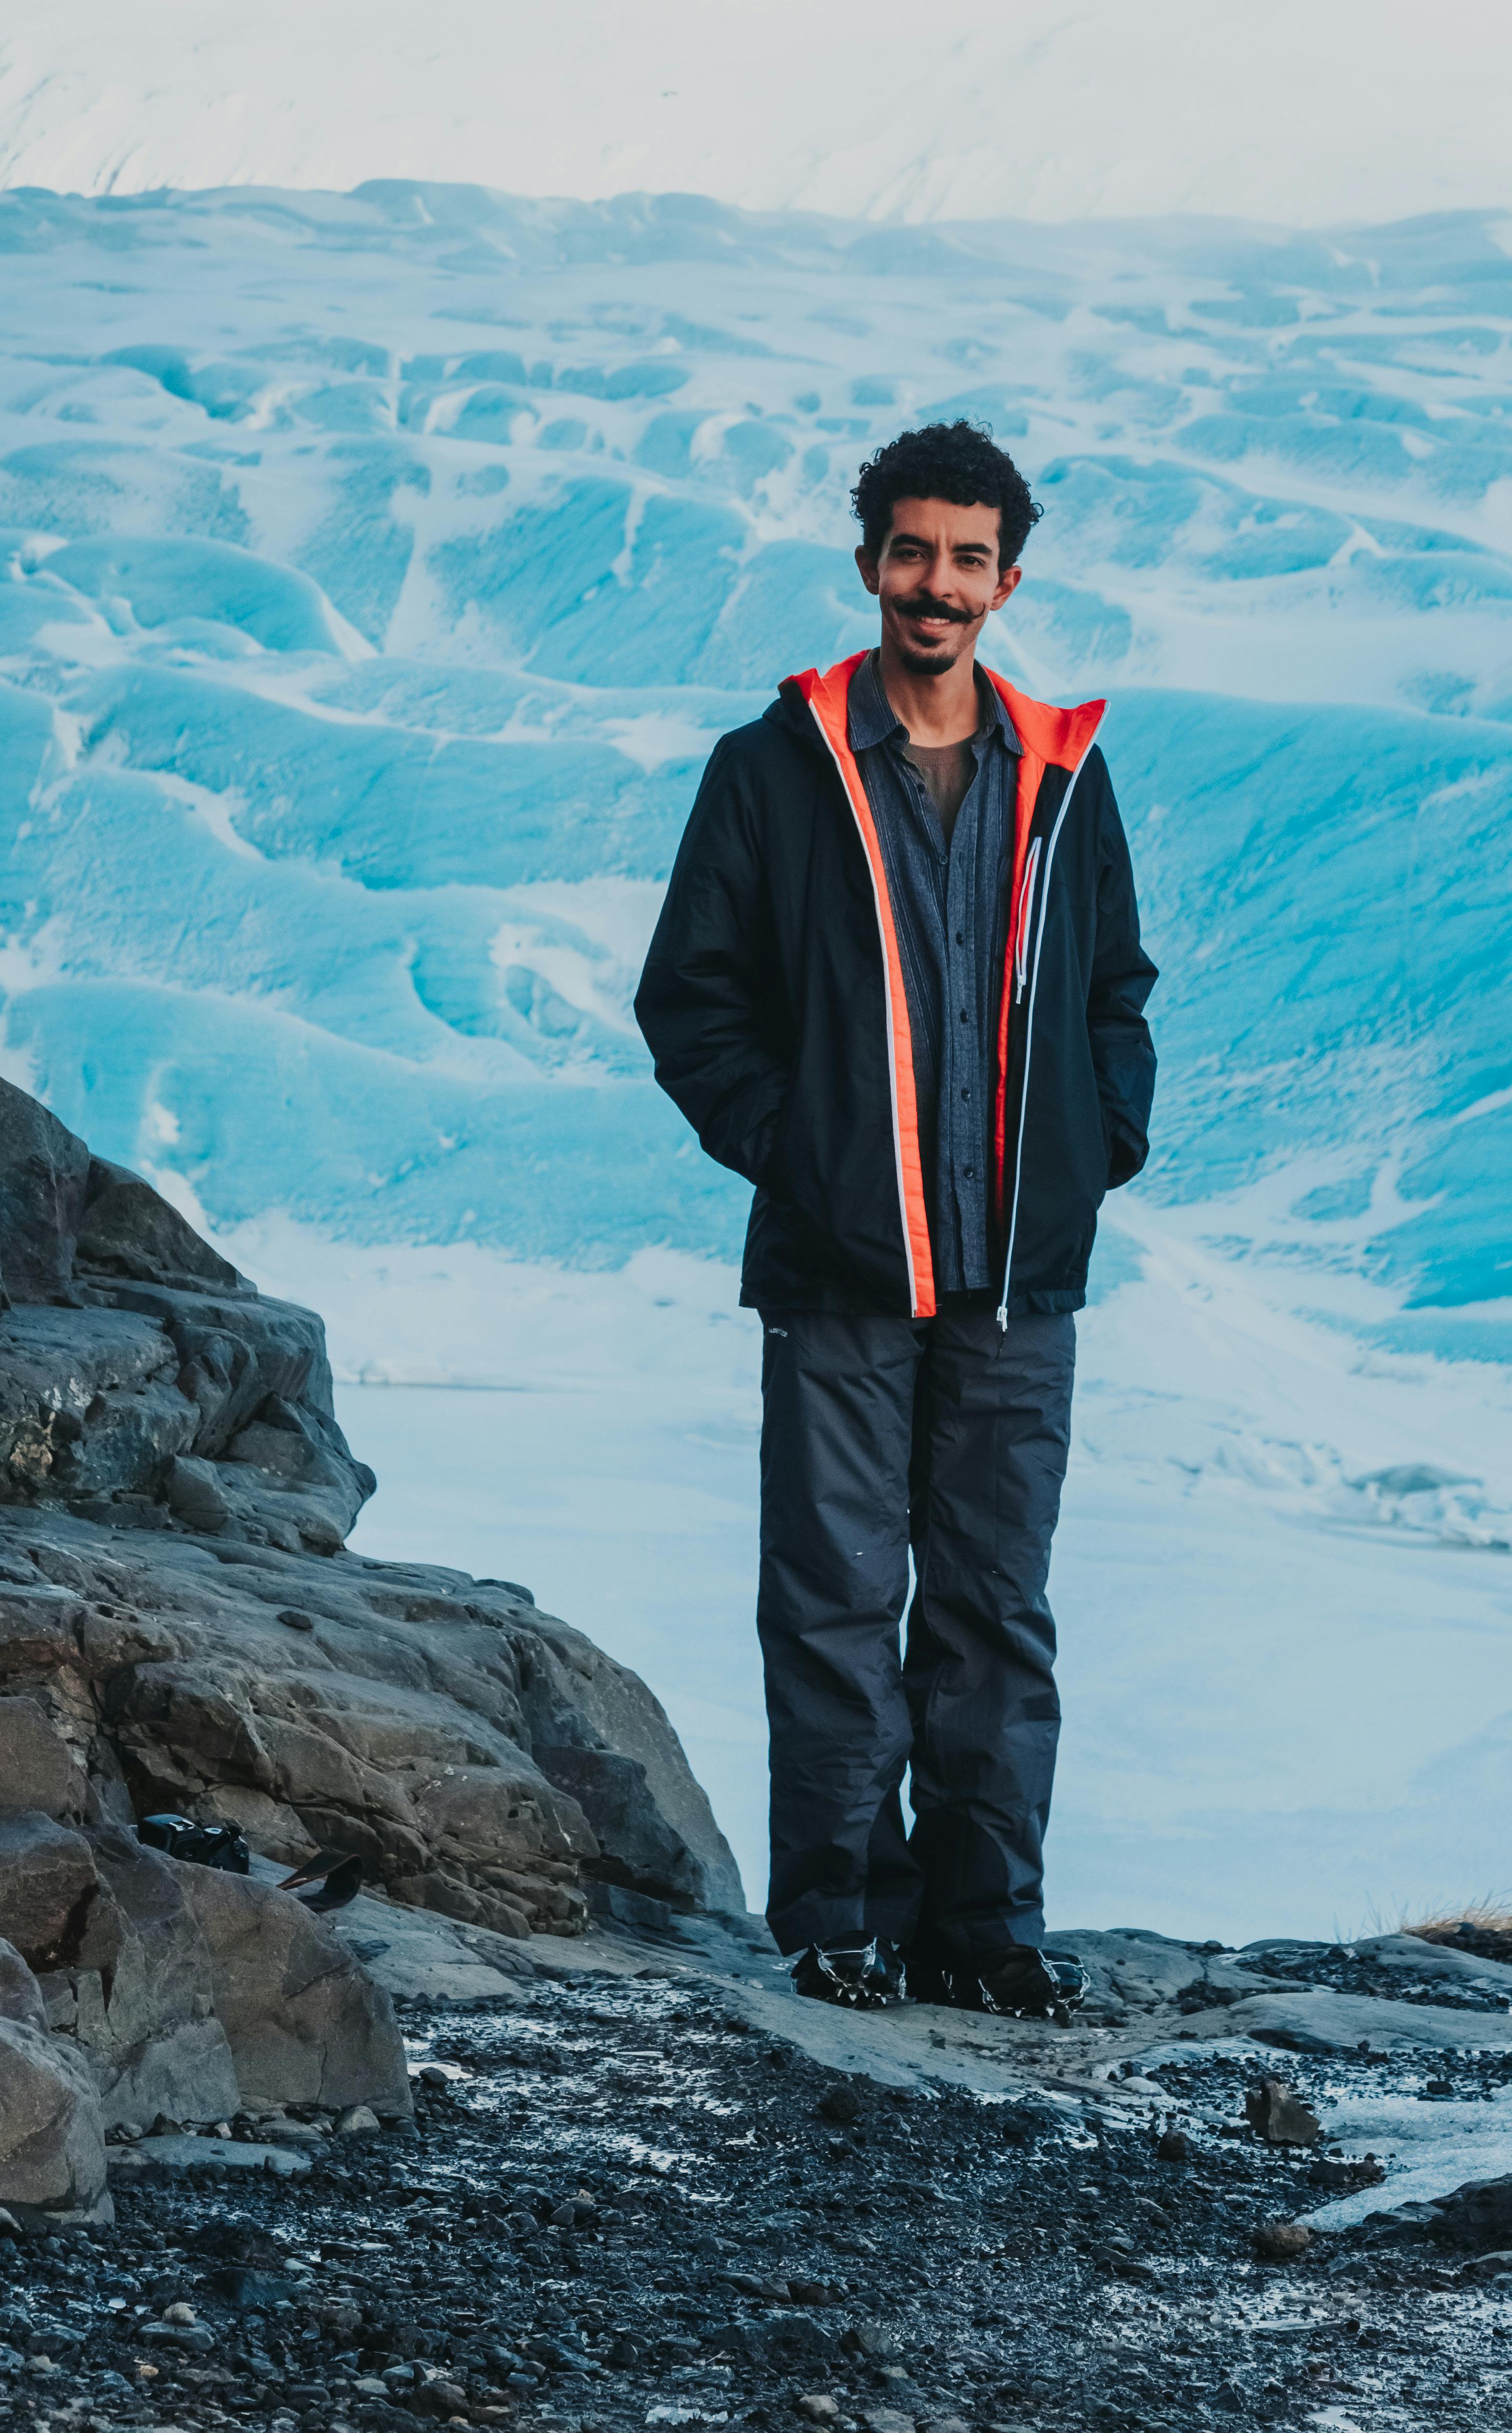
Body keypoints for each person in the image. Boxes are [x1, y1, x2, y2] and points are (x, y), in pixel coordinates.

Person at [633, 422, 1158, 2019]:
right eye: (912, 550)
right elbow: (690, 1001)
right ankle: (842, 1918)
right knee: (837, 1597)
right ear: (869, 563)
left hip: (1018, 1273)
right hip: (841, 1266)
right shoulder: (774, 768)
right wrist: (803, 1159)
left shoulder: (1060, 769)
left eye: (968, 556)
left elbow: (1114, 992)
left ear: (1008, 578)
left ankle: (986, 1928)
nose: (937, 583)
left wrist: (1098, 1144)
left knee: (996, 1607)